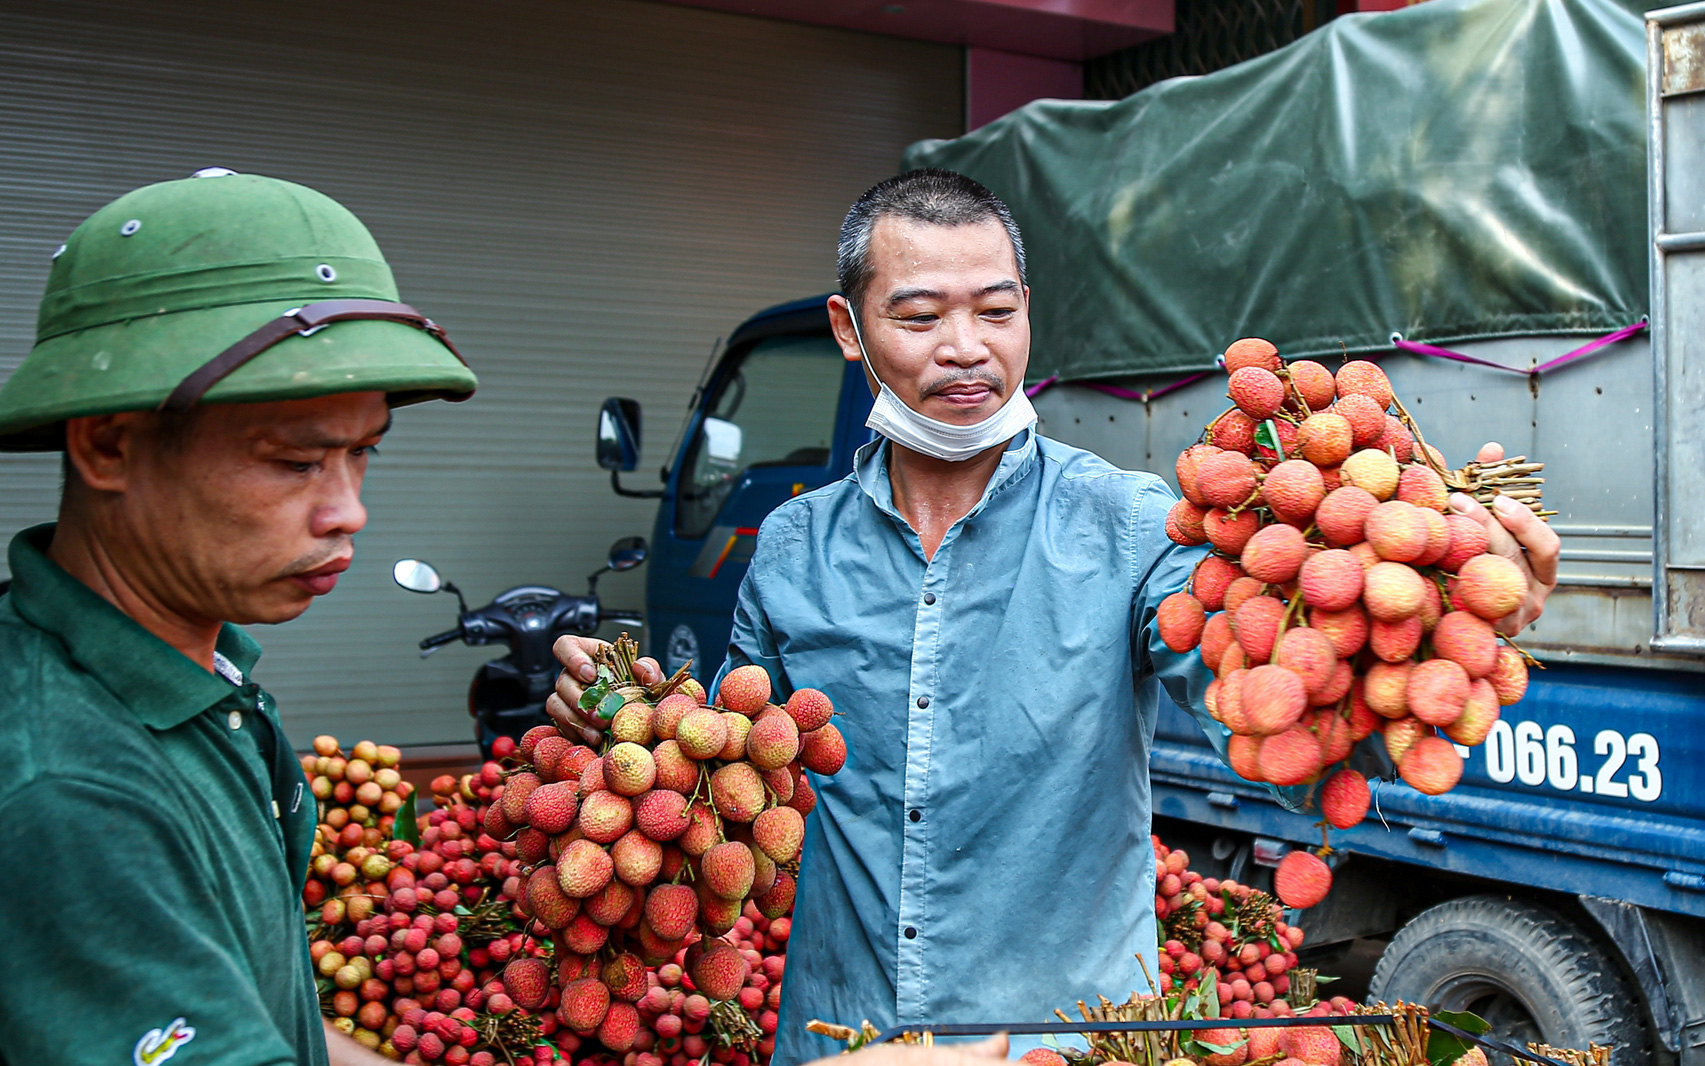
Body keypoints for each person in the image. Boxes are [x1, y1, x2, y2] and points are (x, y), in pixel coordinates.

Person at [548, 169, 1560, 1064]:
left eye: (995, 312)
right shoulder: (791, 546)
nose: (965, 351)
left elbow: (1280, 720)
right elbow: (738, 790)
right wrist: (630, 722)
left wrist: (1449, 616)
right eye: (919, 317)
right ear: (849, 330)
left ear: (1028, 313)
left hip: (1071, 1049)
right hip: (844, 1038)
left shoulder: (1131, 526)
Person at [0, 170, 477, 1066]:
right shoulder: (66, 792)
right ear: (107, 444)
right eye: (296, 461)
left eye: (362, 453)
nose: (349, 512)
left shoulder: (196, 679)